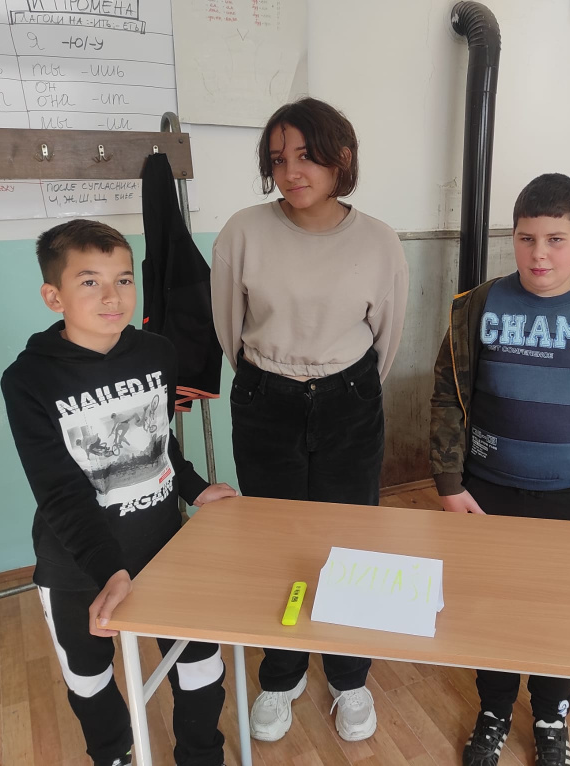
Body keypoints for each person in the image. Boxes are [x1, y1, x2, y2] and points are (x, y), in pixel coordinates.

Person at [429, 173, 570, 766]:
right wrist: (449, 484)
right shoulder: (477, 307)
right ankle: (495, 709)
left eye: (556, 239)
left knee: (561, 613)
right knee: (493, 606)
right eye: (526, 239)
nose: (539, 255)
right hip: (490, 491)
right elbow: (448, 396)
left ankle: (552, 717)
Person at [1, 220, 239, 766]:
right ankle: (113, 754)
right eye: (90, 282)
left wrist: (195, 488)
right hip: (77, 565)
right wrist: (108, 569)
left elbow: (159, 440)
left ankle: (201, 755)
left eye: (124, 279)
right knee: (88, 677)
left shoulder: (157, 353)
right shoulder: (28, 380)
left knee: (201, 665)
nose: (112, 296)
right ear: (53, 296)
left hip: (164, 545)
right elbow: (60, 491)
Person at [210, 97, 409, 743]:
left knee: (349, 540)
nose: (291, 172)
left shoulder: (378, 240)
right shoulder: (243, 231)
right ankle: (282, 671)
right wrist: (273, 383)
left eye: (305, 155)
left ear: (340, 157)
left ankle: (349, 675)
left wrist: (340, 387)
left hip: (350, 399)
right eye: (277, 160)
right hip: (265, 398)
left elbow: (386, 338)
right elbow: (228, 327)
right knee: (277, 542)